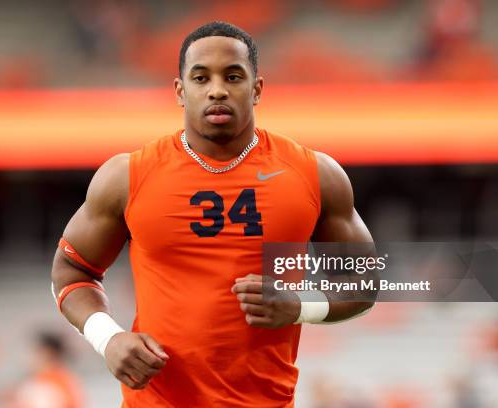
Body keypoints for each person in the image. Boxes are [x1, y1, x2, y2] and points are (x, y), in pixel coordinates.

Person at [51, 21, 374, 407]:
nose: (217, 89)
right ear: (179, 91)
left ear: (256, 89)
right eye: (201, 77)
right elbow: (71, 272)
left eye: (233, 76)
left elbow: (365, 281)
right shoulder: (128, 176)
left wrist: (300, 306)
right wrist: (108, 338)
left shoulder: (313, 174)